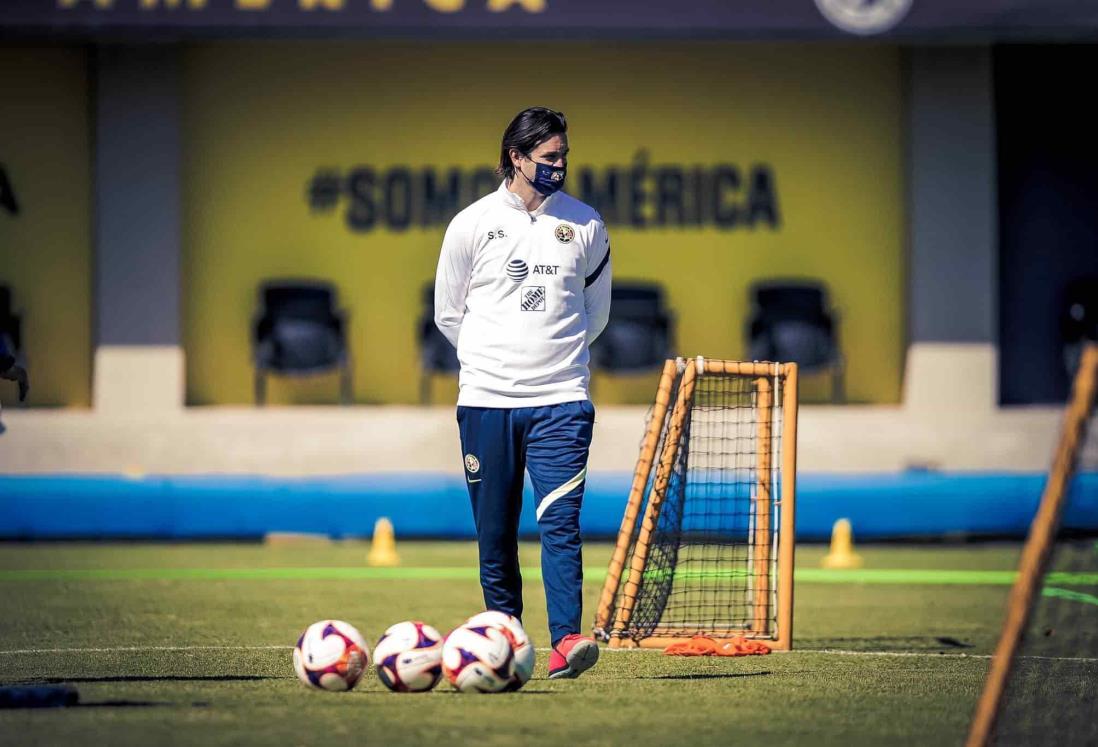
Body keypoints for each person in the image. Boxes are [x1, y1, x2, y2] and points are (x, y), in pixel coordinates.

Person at [434, 106, 612, 679]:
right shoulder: (470, 223)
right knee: (496, 532)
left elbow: (596, 315)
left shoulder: (587, 225)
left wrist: (551, 364)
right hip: (486, 403)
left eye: (565, 156)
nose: (560, 165)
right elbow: (448, 313)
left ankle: (566, 641)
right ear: (517, 157)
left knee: (560, 523)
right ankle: (503, 641)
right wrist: (494, 364)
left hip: (562, 400)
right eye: (549, 157)